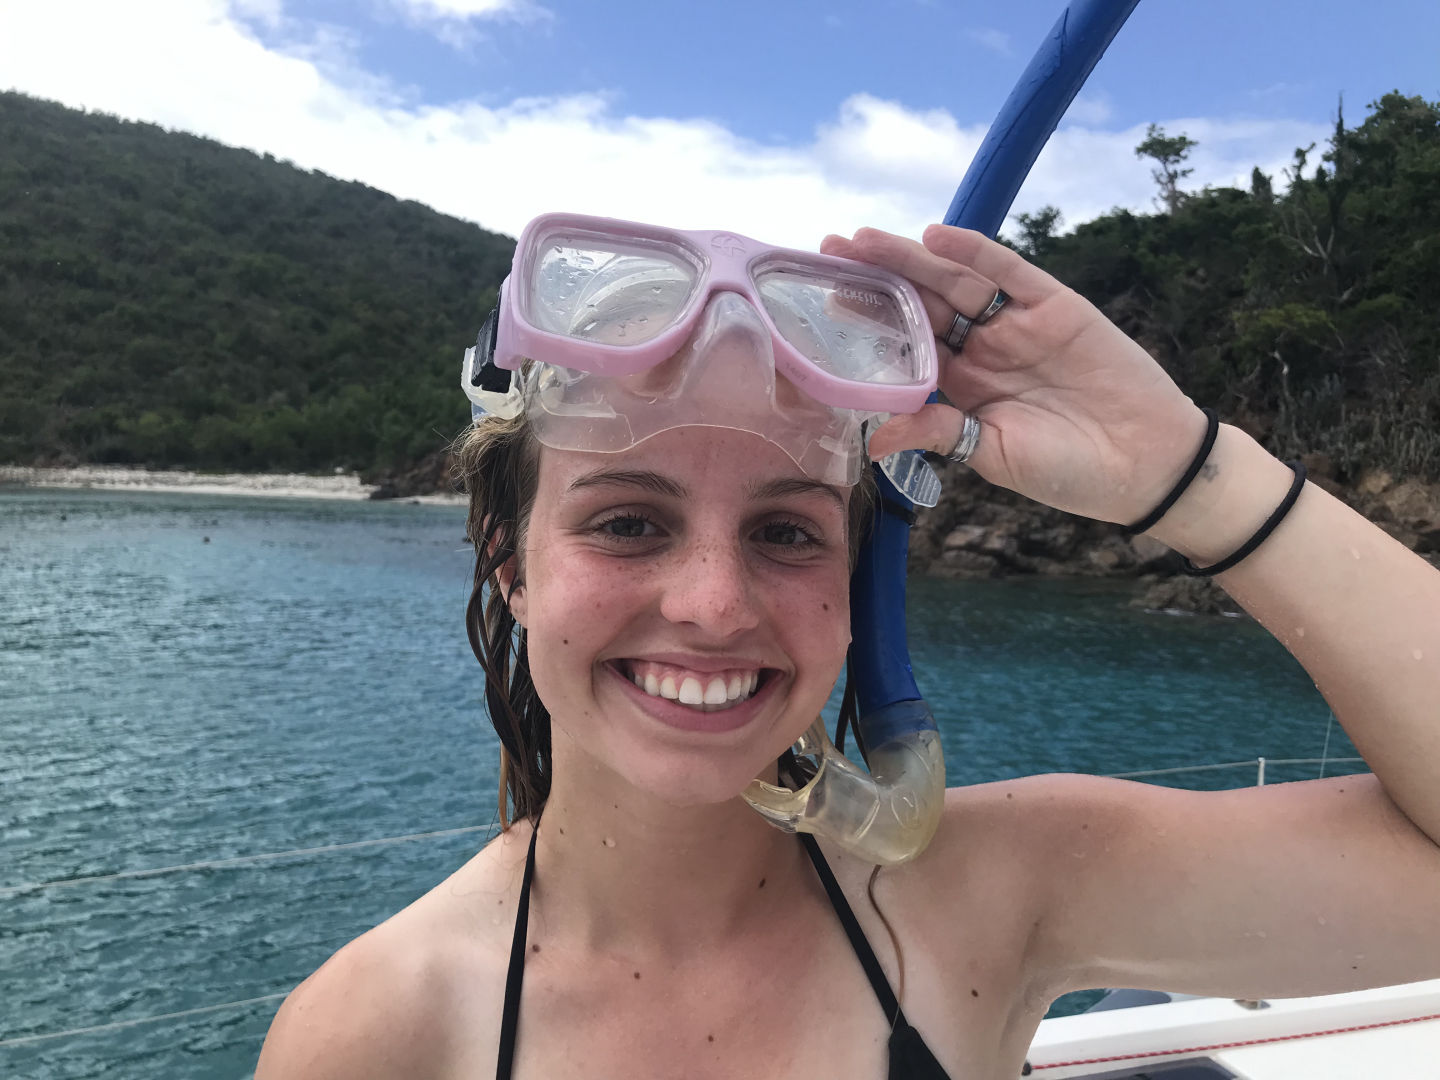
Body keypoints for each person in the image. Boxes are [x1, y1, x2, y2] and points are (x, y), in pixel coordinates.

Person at [255, 213, 1440, 1080]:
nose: (715, 605)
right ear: (510, 564)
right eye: (628, 523)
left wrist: (1184, 471)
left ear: (858, 584)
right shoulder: (382, 1031)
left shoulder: (993, 893)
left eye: (786, 532)